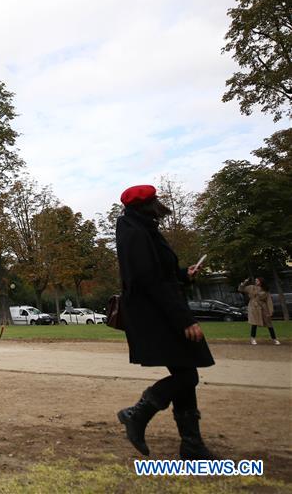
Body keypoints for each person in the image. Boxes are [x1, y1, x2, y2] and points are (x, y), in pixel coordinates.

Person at [115, 184, 215, 460]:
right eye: (155, 200)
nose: (159, 204)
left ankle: (192, 445)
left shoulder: (141, 229)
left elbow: (159, 273)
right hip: (158, 315)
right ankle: (137, 413)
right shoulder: (136, 233)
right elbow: (151, 281)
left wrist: (184, 274)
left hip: (160, 310)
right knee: (187, 375)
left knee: (186, 372)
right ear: (146, 205)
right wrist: (185, 319)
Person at [239, 277, 279, 345]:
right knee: (254, 323)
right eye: (255, 280)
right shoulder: (251, 287)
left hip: (263, 308)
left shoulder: (265, 290)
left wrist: (270, 311)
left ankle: (274, 339)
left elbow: (269, 301)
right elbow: (241, 289)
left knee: (269, 324)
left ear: (261, 282)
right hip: (253, 307)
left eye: (257, 280)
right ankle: (252, 339)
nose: (255, 281)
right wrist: (244, 282)